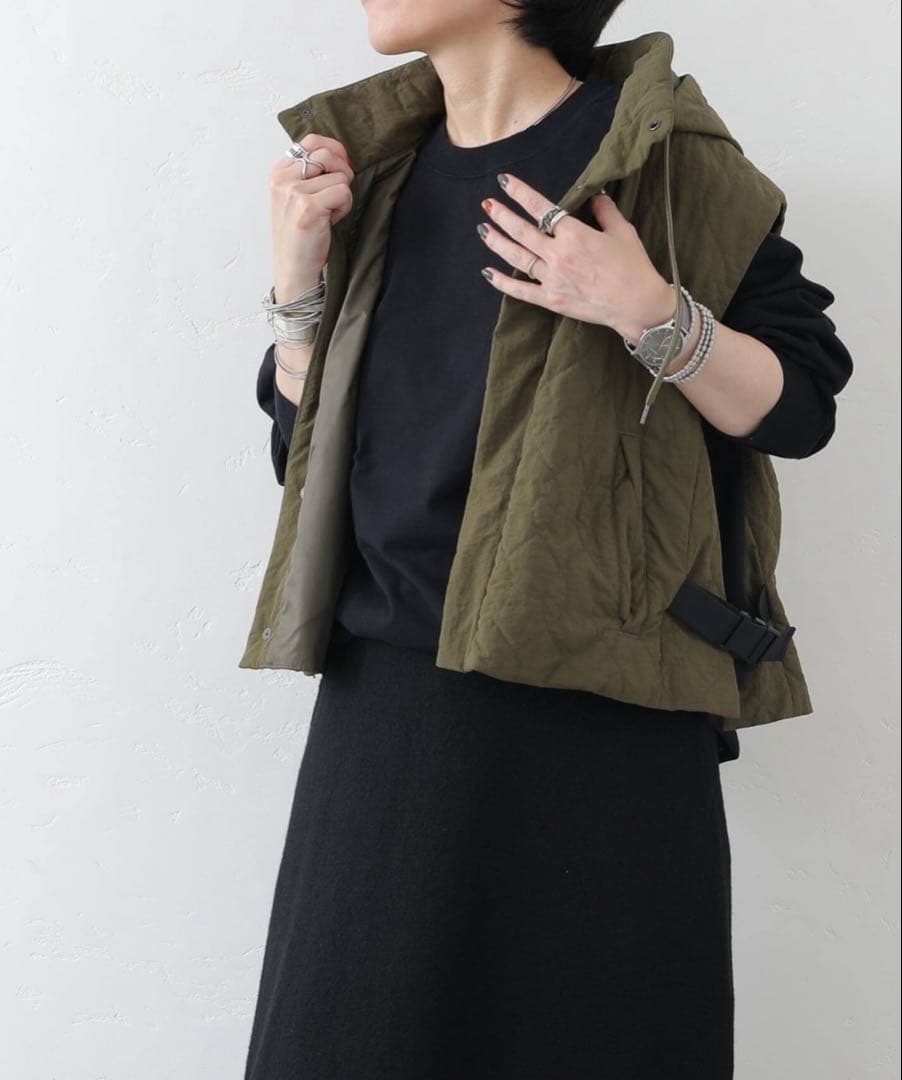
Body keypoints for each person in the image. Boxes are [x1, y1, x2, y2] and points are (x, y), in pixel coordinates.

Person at [242, 3, 853, 1077]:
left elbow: (801, 405)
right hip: (388, 715)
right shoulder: (374, 171)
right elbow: (305, 455)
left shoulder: (665, 163)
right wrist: (298, 288)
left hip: (601, 722)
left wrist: (646, 310)